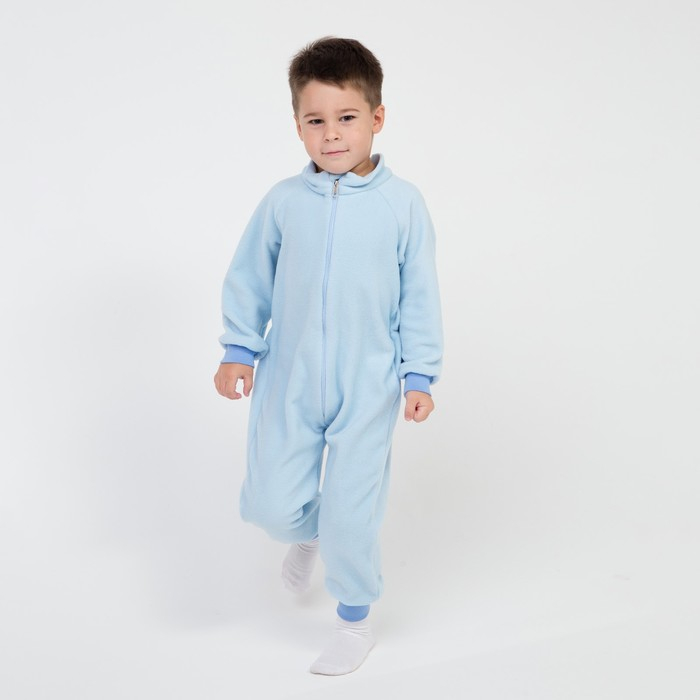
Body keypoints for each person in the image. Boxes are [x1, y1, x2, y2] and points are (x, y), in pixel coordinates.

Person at [214, 36, 443, 675]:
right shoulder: (284, 202)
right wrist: (239, 347)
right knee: (268, 505)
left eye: (346, 117)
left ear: (377, 117)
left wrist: (419, 373)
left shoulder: (402, 204)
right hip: (289, 377)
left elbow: (420, 294)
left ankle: (354, 620)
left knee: (352, 512)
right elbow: (249, 276)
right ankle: (307, 531)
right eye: (315, 121)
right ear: (298, 126)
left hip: (367, 382)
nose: (332, 134)